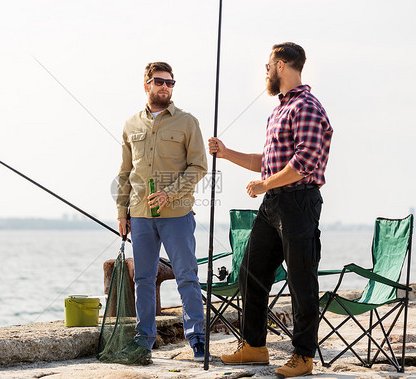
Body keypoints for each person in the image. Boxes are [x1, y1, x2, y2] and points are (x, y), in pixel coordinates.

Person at [209, 42, 333, 378]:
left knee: (301, 281)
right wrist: (226, 152)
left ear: (281, 65)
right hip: (274, 204)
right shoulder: (280, 109)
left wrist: (265, 185)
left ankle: (303, 356)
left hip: (298, 203)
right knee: (250, 270)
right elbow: (268, 163)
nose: (265, 71)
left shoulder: (306, 105)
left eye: (268, 65)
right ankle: (254, 346)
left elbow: (304, 162)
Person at [116, 62, 208, 364]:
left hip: (177, 214)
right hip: (141, 215)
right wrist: (122, 212)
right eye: (159, 82)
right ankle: (144, 340)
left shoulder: (187, 122)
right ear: (147, 85)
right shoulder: (131, 125)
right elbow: (125, 172)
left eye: (170, 83)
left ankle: (197, 341)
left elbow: (199, 167)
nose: (165, 87)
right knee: (142, 278)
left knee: (186, 276)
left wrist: (171, 192)